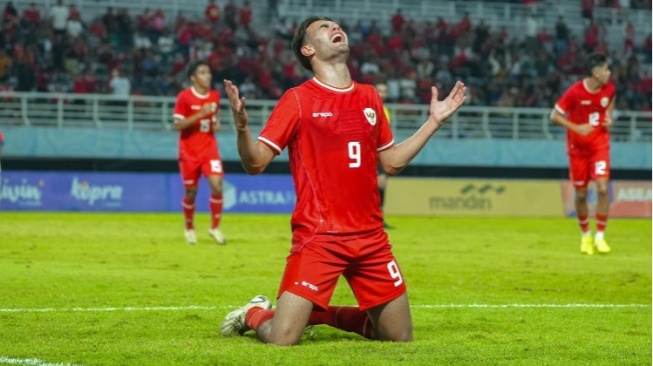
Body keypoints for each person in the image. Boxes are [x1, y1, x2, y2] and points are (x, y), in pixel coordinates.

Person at [220, 16, 466, 345]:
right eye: (324, 27)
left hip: (370, 239)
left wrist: (433, 122)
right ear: (308, 49)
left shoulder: (369, 97)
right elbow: (255, 162)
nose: (336, 28)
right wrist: (241, 129)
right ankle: (254, 312)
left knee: (399, 337)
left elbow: (391, 163)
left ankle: (319, 313)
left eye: (337, 25)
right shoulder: (297, 100)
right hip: (320, 237)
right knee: (282, 340)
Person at [550, 53, 615, 255]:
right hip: (577, 150)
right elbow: (554, 116)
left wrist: (609, 117)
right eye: (605, 69)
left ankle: (600, 237)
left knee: (603, 189)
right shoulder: (575, 92)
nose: (609, 73)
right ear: (596, 73)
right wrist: (576, 128)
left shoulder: (609, 89)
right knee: (580, 194)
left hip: (599, 145)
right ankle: (586, 236)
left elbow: (610, 101)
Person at [172, 60, 226, 245]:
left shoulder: (215, 96)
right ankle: (189, 228)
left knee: (217, 186)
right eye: (202, 72)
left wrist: (216, 123)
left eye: (208, 72)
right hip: (188, 152)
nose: (207, 76)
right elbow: (177, 125)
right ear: (193, 78)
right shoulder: (184, 97)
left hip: (209, 149)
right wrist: (200, 115)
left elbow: (215, 117)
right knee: (191, 192)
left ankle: (215, 228)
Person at [374, 81, 394, 229]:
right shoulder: (368, 107)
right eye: (380, 91)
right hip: (368, 152)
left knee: (382, 183)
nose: (383, 94)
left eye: (385, 91)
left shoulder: (386, 110)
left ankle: (379, 218)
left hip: (380, 153)